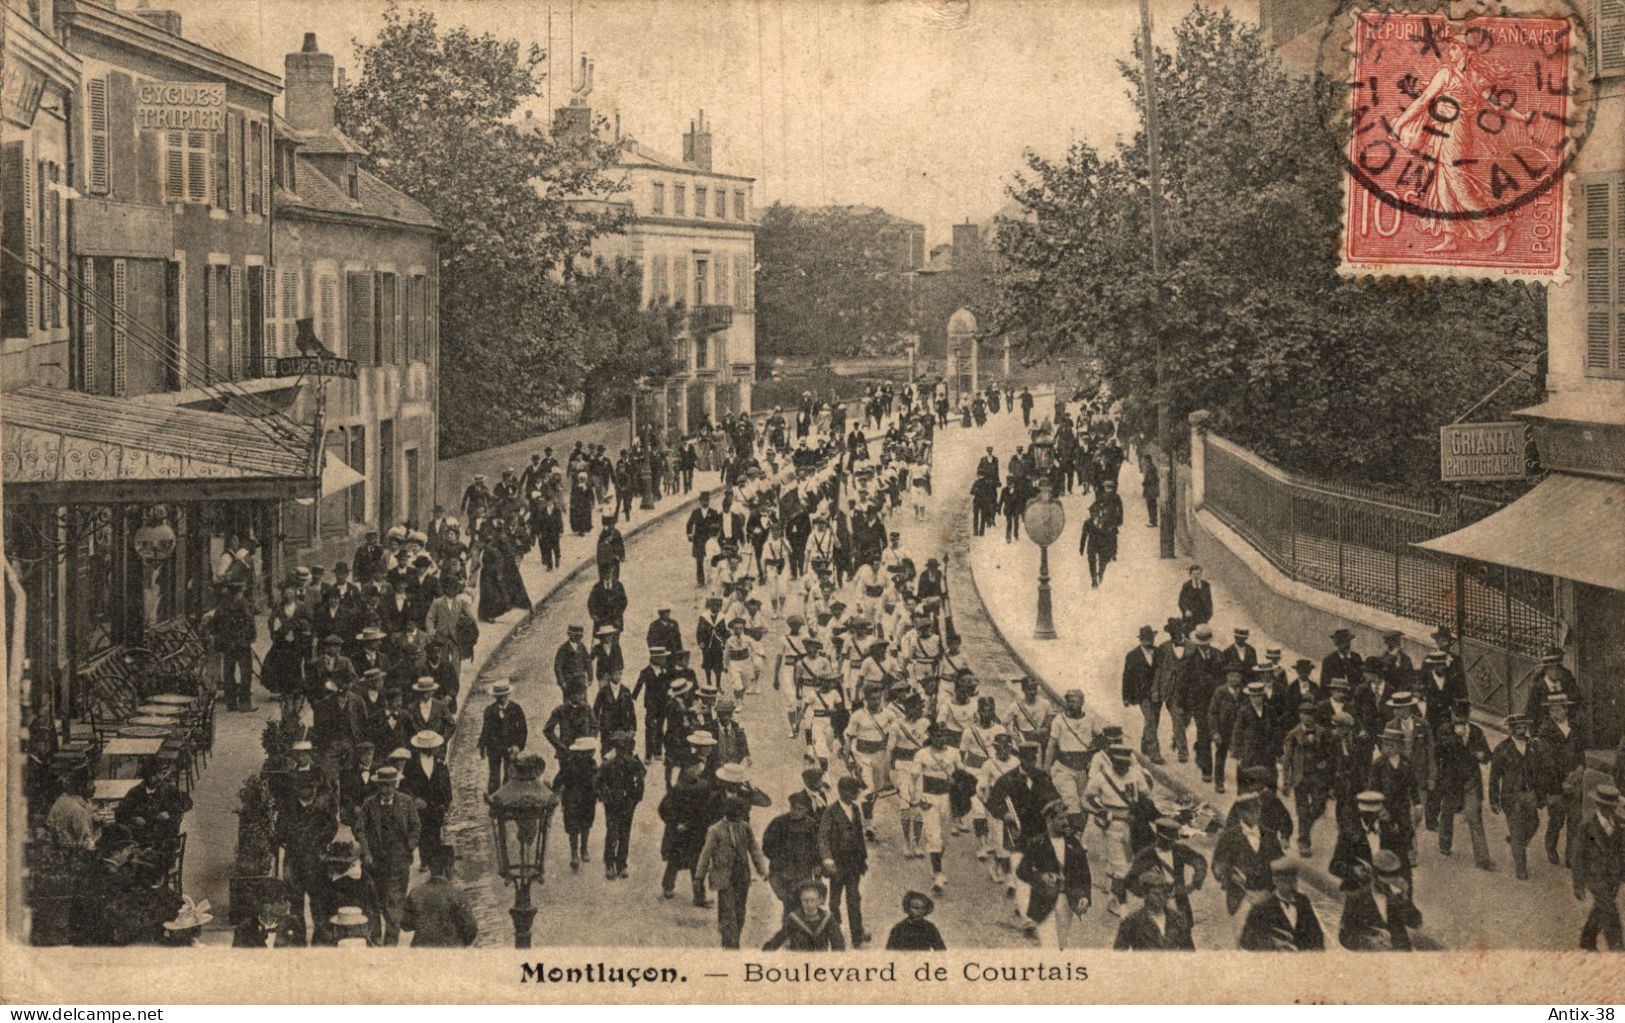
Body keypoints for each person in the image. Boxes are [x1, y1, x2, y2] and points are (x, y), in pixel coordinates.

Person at [355, 765, 420, 946]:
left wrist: (409, 846)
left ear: (396, 784)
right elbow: (359, 829)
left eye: (390, 785)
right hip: (375, 863)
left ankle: (390, 944)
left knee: (395, 904)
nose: (387, 789)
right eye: (383, 785)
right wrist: (366, 853)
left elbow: (416, 827)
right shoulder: (369, 805)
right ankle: (375, 941)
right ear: (378, 786)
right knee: (376, 904)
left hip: (398, 863)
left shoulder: (406, 802)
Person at [697, 792, 770, 949]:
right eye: (737, 814)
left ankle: (732, 938)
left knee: (740, 912)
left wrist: (762, 869)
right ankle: (731, 945)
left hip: (742, 876)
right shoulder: (715, 830)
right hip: (723, 877)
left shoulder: (745, 827)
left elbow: (754, 849)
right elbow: (705, 854)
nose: (740, 818)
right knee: (728, 910)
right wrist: (699, 877)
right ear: (729, 812)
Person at [1020, 799, 1093, 950]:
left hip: (1066, 899)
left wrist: (1085, 896)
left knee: (1061, 943)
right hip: (1043, 899)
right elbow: (1023, 870)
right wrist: (1041, 877)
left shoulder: (1073, 844)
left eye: (1066, 817)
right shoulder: (1038, 843)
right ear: (1049, 819)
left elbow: (1084, 874)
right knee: (1048, 944)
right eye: (1061, 818)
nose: (1066, 822)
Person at [819, 774, 871, 948]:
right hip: (837, 865)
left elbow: (859, 836)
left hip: (854, 864)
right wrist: (827, 858)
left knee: (854, 899)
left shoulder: (856, 809)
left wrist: (863, 858)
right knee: (834, 901)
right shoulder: (831, 811)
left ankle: (857, 936)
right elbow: (823, 837)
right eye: (852, 791)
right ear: (842, 791)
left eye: (856, 791)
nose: (855, 794)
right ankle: (836, 933)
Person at [1570, 784, 1624, 951]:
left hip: (1613, 876)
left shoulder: (1621, 825)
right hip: (1594, 876)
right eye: (1606, 807)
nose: (1610, 810)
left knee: (1601, 907)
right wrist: (1578, 884)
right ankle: (1618, 951)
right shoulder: (1587, 827)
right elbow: (1577, 857)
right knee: (1610, 911)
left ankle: (1587, 938)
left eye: (1612, 807)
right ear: (1599, 805)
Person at [1338, 849, 1422, 950]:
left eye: (1395, 874)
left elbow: (1415, 923)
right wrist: (1371, 939)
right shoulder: (1357, 895)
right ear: (1374, 874)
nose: (1393, 880)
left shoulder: (1396, 893)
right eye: (1387, 875)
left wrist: (1405, 898)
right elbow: (1345, 935)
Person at [1238, 857, 1324, 951]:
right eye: (1285, 881)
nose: (1291, 886)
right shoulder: (1261, 907)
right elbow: (1246, 941)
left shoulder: (1303, 901)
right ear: (1276, 881)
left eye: (1293, 881)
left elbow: (1316, 933)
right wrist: (1274, 944)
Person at [401, 845, 478, 947]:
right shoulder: (458, 895)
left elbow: (405, 925)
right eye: (453, 866)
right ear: (447, 868)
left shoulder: (416, 893)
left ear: (431, 868)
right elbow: (471, 928)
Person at [597, 731, 645, 881]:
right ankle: (609, 863)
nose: (623, 753)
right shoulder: (607, 764)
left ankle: (622, 863)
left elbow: (640, 781)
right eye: (620, 750)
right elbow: (598, 782)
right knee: (612, 832)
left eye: (626, 750)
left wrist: (635, 799)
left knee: (625, 833)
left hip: (627, 803)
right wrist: (605, 795)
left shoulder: (634, 764)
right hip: (612, 804)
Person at [1113, 868, 1194, 950]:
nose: (1161, 897)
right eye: (1156, 894)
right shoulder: (1132, 922)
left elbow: (1189, 951)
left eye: (1164, 893)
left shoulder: (1177, 919)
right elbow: (1118, 955)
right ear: (1145, 895)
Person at [208, 581, 258, 711]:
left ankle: (232, 703)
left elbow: (214, 626)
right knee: (243, 674)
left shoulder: (223, 607)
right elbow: (251, 623)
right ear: (237, 593)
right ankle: (243, 703)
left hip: (232, 644)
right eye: (239, 592)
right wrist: (251, 637)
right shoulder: (244, 605)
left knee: (232, 673)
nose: (240, 595)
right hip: (240, 645)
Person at [558, 736, 600, 871]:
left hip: (587, 800)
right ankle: (574, 854)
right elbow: (559, 780)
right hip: (572, 800)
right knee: (573, 828)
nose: (593, 753)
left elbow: (598, 782)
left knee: (586, 825)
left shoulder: (593, 765)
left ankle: (584, 849)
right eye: (590, 751)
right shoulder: (569, 765)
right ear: (582, 753)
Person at [477, 680, 527, 794]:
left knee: (509, 775)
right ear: (495, 697)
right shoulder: (490, 710)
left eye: (503, 696)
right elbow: (486, 729)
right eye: (499, 697)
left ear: (508, 695)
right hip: (494, 748)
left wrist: (518, 746)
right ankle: (494, 799)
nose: (501, 699)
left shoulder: (516, 708)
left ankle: (507, 798)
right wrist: (482, 746)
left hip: (510, 747)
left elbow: (523, 730)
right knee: (494, 776)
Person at [233, 883, 305, 948]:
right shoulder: (244, 930)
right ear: (267, 906)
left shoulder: (293, 924)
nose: (289, 904)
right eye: (284, 900)